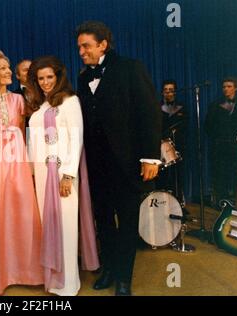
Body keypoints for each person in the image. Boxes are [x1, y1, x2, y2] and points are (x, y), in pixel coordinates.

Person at [76, 21, 162, 296]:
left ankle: (124, 280)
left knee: (126, 223)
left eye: (86, 45)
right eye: (79, 47)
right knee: (103, 221)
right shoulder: (82, 78)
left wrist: (150, 158)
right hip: (95, 165)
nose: (81, 51)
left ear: (103, 44)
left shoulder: (130, 68)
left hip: (126, 164)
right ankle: (110, 269)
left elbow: (149, 113)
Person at [27, 56, 99, 296]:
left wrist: (68, 175)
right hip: (41, 175)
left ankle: (68, 285)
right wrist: (30, 171)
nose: (45, 82)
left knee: (66, 229)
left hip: (62, 175)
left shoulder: (70, 101)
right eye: (40, 78)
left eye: (50, 77)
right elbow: (33, 143)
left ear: (58, 77)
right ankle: (52, 281)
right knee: (48, 227)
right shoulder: (40, 106)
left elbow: (76, 139)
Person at [0, 49, 43, 296]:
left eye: (7, 67)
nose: (7, 71)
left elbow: (28, 131)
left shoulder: (20, 100)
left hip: (18, 161)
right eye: (2, 68)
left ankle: (29, 271)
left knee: (24, 211)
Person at [205, 77, 237, 207]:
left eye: (229, 86)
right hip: (220, 148)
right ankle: (221, 204)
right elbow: (208, 127)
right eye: (224, 87)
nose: (226, 89)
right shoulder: (215, 105)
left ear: (236, 88)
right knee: (220, 176)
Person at [157, 80, 188, 203]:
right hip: (161, 147)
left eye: (171, 90)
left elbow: (185, 128)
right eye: (166, 90)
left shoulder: (182, 108)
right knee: (163, 178)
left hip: (178, 147)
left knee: (177, 176)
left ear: (175, 92)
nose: (168, 93)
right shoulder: (157, 108)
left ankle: (179, 204)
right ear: (162, 93)